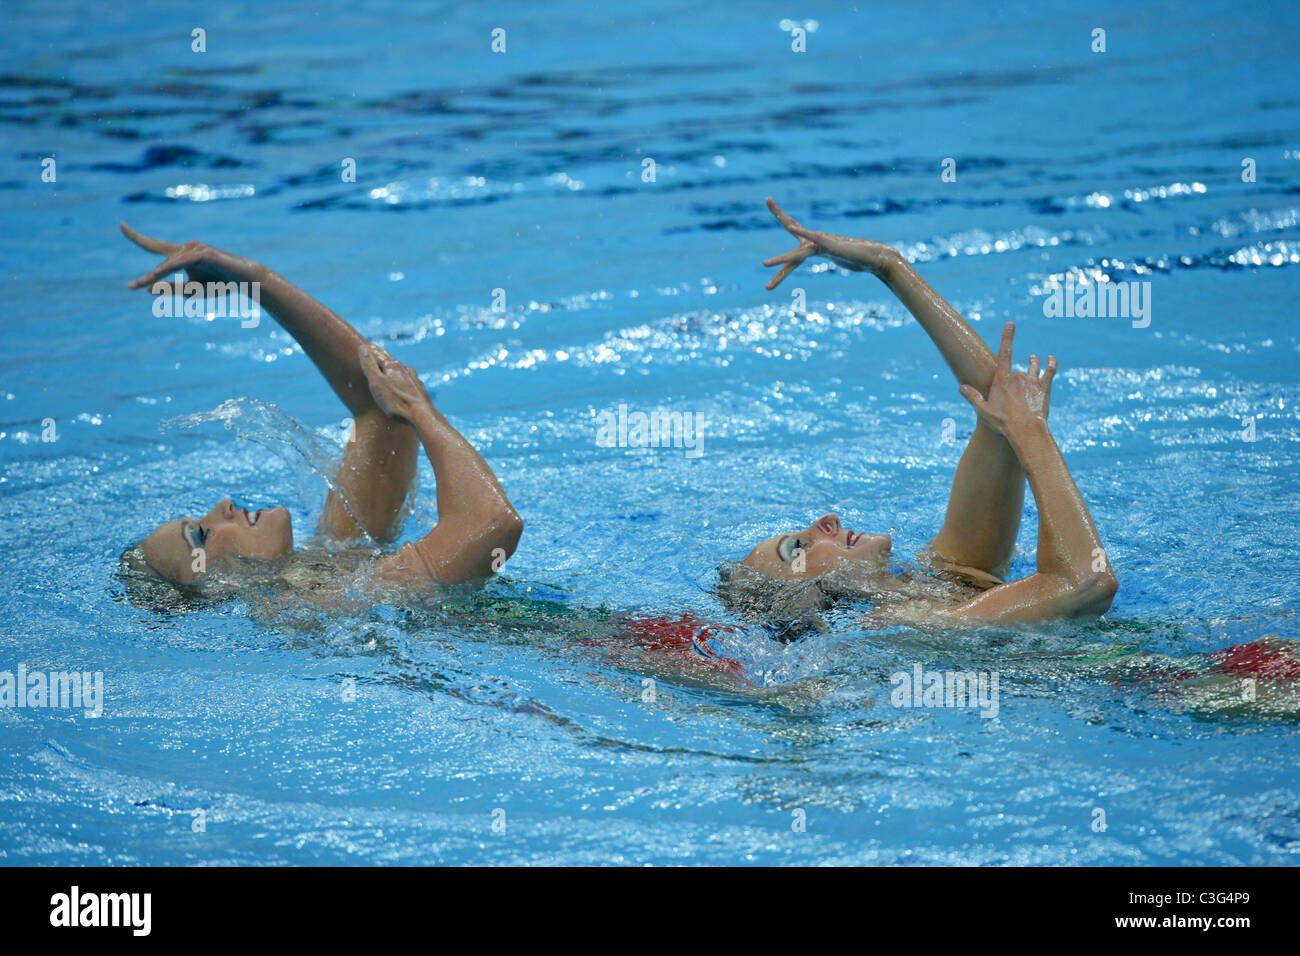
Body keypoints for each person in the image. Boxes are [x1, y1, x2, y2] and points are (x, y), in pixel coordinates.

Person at [716, 199, 1119, 629]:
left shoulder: (939, 578)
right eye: (797, 548)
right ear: (799, 593)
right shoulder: (911, 627)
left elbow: (993, 400)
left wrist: (888, 265)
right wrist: (1031, 428)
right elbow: (1087, 584)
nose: (825, 520)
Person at [116, 223, 523, 601]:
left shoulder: (333, 560)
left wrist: (255, 282)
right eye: (201, 536)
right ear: (213, 585)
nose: (222, 505)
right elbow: (490, 525)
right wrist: (420, 409)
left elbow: (380, 414)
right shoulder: (320, 605)